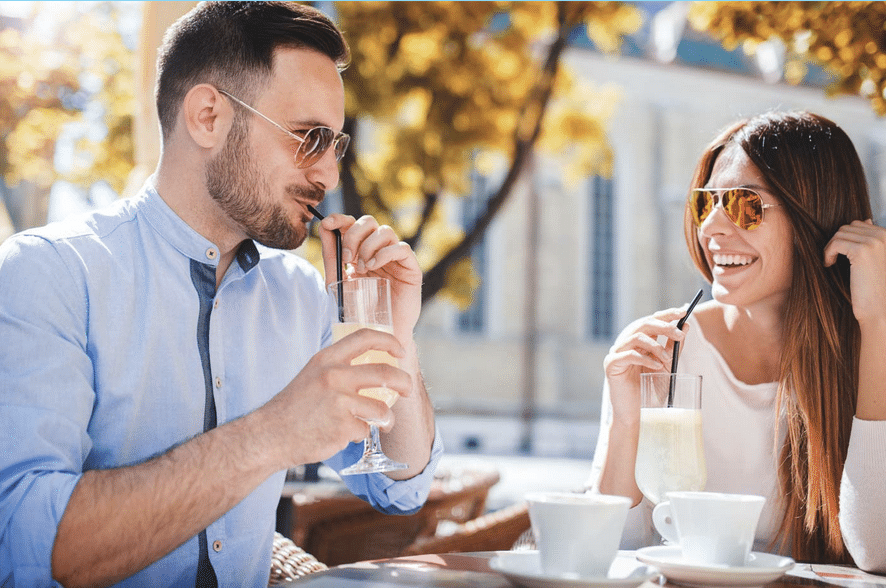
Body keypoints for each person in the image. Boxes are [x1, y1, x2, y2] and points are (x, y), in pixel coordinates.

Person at [0, 3, 442, 586]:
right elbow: (29, 548)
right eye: (308, 137)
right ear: (208, 116)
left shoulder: (302, 293)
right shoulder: (47, 274)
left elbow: (399, 486)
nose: (329, 176)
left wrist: (394, 337)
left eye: (335, 143)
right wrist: (273, 433)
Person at [588, 111, 886, 571]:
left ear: (817, 215)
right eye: (707, 205)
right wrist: (625, 424)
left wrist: (879, 323)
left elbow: (876, 549)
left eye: (745, 205)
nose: (712, 229)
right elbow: (605, 555)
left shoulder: (872, 350)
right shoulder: (661, 353)